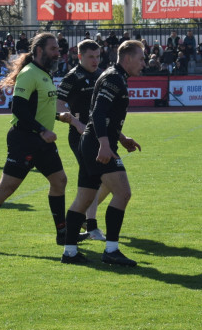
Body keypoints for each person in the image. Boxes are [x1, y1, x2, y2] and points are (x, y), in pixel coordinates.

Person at [0, 33, 69, 253]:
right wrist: (42, 130)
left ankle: (63, 234)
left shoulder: (44, 73)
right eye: (53, 49)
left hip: (41, 140)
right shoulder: (29, 73)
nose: (57, 52)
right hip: (25, 139)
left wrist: (58, 118)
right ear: (39, 50)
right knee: (6, 188)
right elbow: (19, 110)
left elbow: (38, 108)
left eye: (57, 48)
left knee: (59, 180)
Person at [60, 40, 145, 267]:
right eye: (140, 59)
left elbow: (103, 115)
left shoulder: (113, 76)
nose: (143, 63)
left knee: (85, 198)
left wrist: (122, 138)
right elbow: (97, 113)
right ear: (127, 58)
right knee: (123, 193)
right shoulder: (114, 78)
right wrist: (105, 145)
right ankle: (111, 250)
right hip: (96, 144)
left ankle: (69, 251)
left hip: (91, 142)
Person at [56, 39, 110, 244]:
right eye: (90, 57)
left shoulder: (101, 75)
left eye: (98, 56)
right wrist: (76, 122)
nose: (95, 60)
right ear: (79, 56)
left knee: (110, 181)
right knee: (96, 179)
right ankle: (91, 225)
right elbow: (57, 105)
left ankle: (81, 216)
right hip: (80, 136)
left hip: (101, 134)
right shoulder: (72, 77)